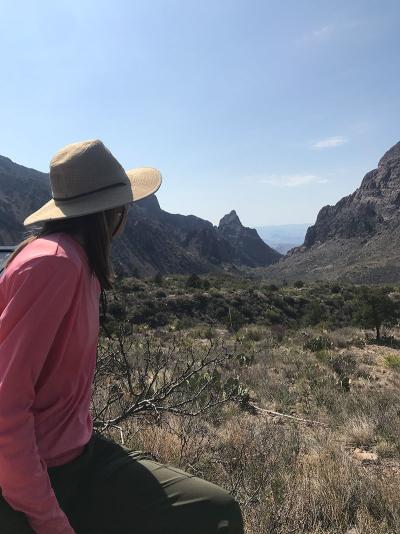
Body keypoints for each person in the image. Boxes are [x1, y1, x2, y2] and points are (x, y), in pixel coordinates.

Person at [0, 139, 244, 534]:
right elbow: (6, 404)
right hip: (37, 473)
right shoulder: (53, 264)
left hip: (75, 454)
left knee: (214, 510)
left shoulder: (78, 262)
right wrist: (48, 519)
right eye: (124, 203)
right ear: (112, 211)